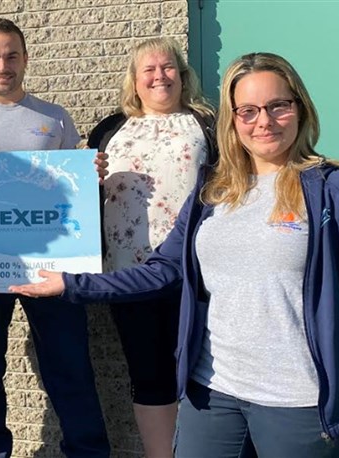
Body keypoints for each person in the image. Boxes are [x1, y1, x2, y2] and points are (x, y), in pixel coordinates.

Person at [11, 52, 339, 458]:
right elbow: (162, 270)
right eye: (248, 111)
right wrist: (69, 284)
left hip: (299, 404)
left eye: (278, 106)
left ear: (301, 108)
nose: (264, 121)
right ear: (232, 120)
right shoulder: (213, 192)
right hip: (212, 396)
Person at [0, 18, 111, 458]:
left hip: (50, 268)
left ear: (26, 59)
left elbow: (73, 192)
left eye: (11, 56)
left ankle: (87, 452)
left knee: (70, 366)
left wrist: (91, 175)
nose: (3, 66)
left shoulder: (55, 118)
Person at [86, 37, 216, 458]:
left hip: (195, 273)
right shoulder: (109, 130)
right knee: (148, 374)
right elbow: (83, 200)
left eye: (168, 67)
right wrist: (86, 179)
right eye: (149, 69)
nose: (160, 76)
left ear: (182, 74)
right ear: (135, 80)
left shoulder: (207, 124)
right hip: (129, 276)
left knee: (202, 373)